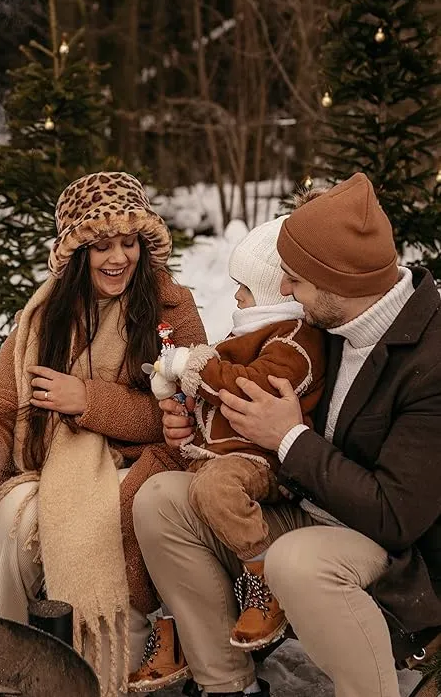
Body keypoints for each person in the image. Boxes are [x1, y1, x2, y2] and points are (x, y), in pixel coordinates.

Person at [133, 172, 441, 697]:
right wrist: (206, 420)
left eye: (296, 279)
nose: (284, 291)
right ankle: (227, 685)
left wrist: (290, 438)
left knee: (295, 562)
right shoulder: (329, 321)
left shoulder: (429, 361)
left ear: (339, 280)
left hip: (390, 548)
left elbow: (396, 517)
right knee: (160, 500)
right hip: (309, 504)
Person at [0, 171, 206, 697]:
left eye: (128, 243)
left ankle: (101, 674)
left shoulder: (172, 309)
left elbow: (187, 417)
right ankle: (4, 663)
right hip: (49, 469)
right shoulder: (43, 317)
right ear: (77, 253)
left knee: (102, 516)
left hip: (139, 470)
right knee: (11, 518)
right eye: (100, 246)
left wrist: (89, 401)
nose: (117, 257)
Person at [129, 214, 325, 692]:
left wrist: (198, 365)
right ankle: (174, 623)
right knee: (146, 499)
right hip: (225, 458)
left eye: (245, 288)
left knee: (212, 487)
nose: (236, 297)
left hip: (266, 466)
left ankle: (264, 579)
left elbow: (253, 388)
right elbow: (216, 396)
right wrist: (185, 409)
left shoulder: (295, 341)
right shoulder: (246, 336)